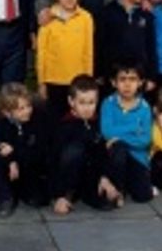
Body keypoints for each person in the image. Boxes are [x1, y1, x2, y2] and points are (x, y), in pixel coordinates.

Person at [50, 75, 121, 215]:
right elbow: (53, 162)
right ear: (71, 101)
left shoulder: (96, 122)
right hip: (69, 175)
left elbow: (100, 153)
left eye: (91, 103)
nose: (87, 108)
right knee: (75, 149)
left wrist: (104, 177)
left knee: (112, 147)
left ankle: (101, 189)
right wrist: (58, 194)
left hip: (91, 174)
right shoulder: (64, 126)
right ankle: (65, 196)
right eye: (82, 103)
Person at [36, 0, 95, 122]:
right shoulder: (47, 18)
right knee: (54, 122)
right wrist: (41, 83)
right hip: (53, 81)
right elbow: (42, 53)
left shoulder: (86, 18)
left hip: (78, 81)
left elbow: (88, 51)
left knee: (77, 121)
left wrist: (88, 80)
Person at [0, 82, 49, 217]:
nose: (27, 111)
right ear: (7, 113)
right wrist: (10, 160)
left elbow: (38, 151)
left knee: (39, 199)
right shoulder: (2, 125)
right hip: (9, 170)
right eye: (21, 108)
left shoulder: (36, 122)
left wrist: (14, 154)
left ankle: (23, 191)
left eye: (28, 106)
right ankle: (5, 196)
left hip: (29, 167)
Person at [99, 61, 155, 204]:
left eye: (132, 79)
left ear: (140, 82)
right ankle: (119, 189)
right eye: (122, 79)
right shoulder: (108, 103)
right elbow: (107, 132)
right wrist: (134, 128)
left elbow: (145, 140)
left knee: (144, 197)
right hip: (116, 156)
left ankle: (129, 182)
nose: (127, 84)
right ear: (114, 82)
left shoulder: (144, 107)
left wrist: (119, 136)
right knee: (119, 149)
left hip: (137, 158)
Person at [94, 0, 157, 86]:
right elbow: (99, 46)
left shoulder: (146, 15)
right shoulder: (106, 13)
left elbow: (151, 47)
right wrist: (99, 74)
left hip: (140, 77)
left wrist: (151, 77)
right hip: (112, 77)